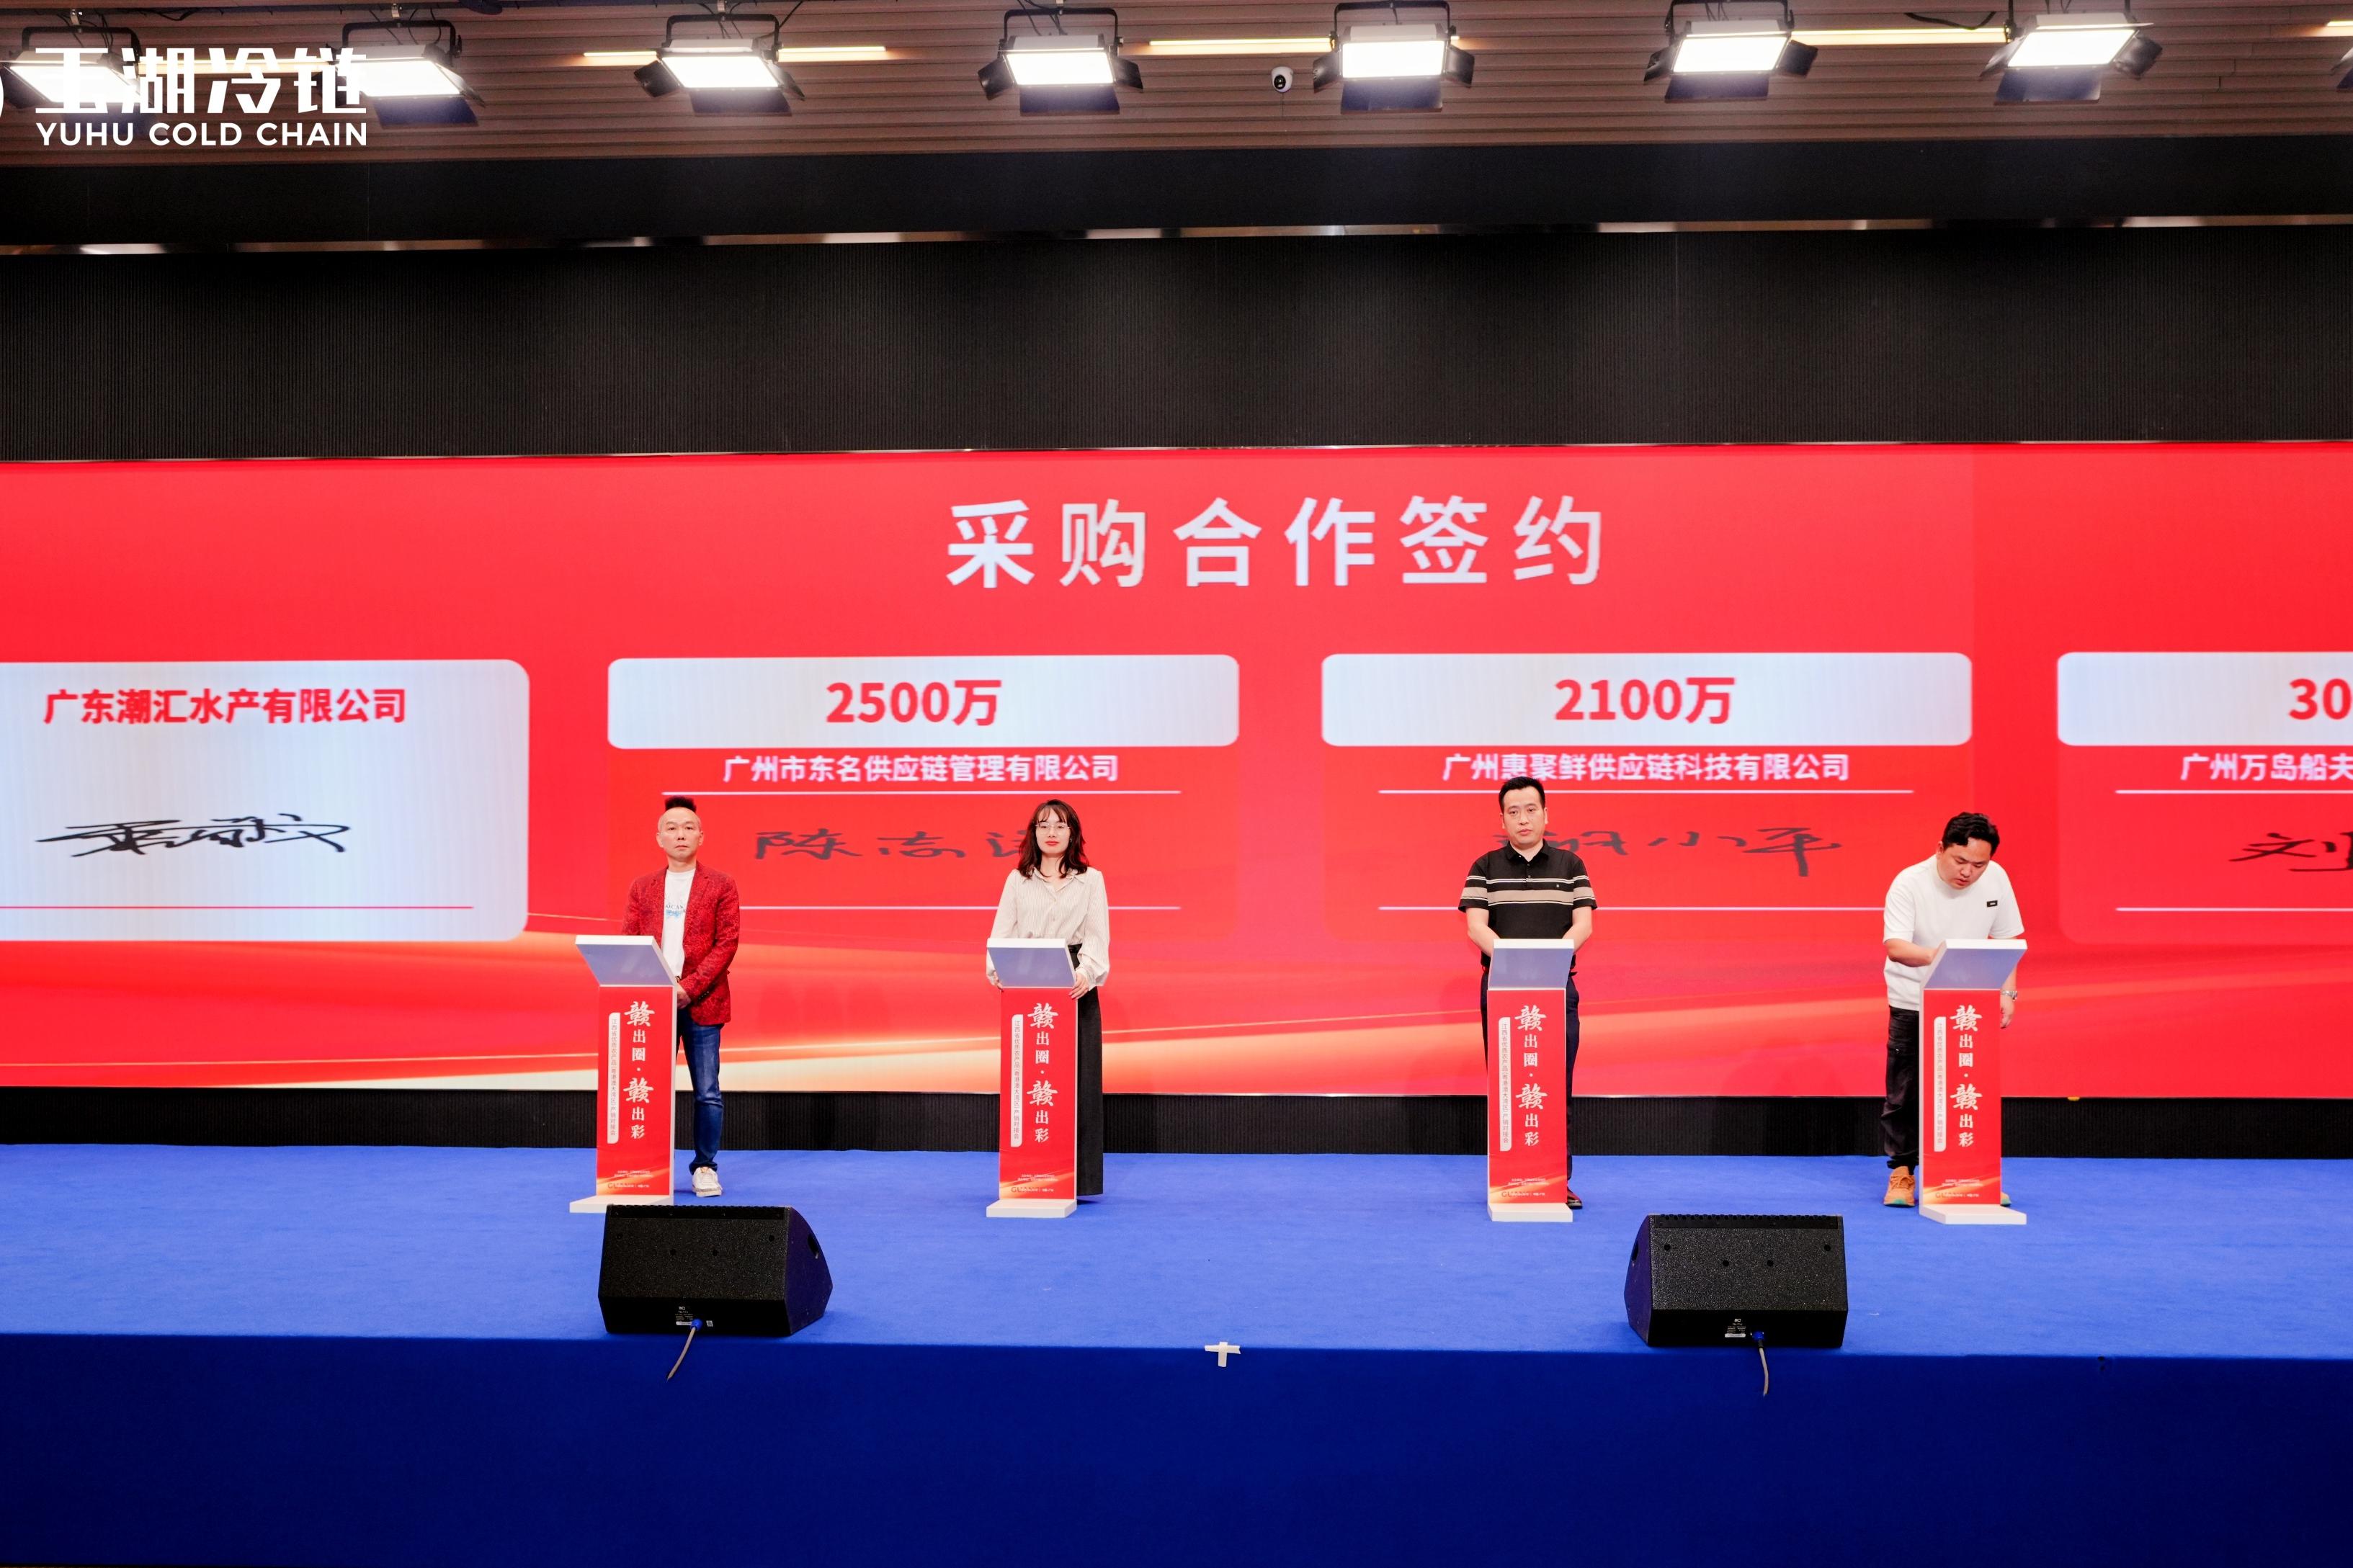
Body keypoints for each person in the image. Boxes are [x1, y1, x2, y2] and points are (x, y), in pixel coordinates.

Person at [1458, 776, 1597, 1207]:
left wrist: (1549, 960)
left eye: (1531, 809)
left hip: (1557, 989)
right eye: (1513, 811)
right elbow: (1476, 926)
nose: (1523, 818)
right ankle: (1509, 1177)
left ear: (1546, 815)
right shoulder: (1484, 867)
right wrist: (1516, 960)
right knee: (1508, 1086)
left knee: (1556, 1086)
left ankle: (1557, 1180)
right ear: (1502, 819)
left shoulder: (1571, 865)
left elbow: (1584, 924)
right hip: (1503, 989)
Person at [1878, 811, 2024, 1207]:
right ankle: (1902, 1173)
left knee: (1968, 1089)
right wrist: (1945, 958)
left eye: (1979, 865)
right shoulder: (1909, 882)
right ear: (1941, 849)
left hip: (1969, 1002)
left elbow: (2008, 940)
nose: (1968, 873)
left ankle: (1970, 1176)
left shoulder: (1997, 878)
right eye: (1961, 861)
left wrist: (2007, 994)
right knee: (1905, 1093)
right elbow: (1896, 947)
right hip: (1913, 1000)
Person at [986, 798, 1108, 1197]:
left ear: (1073, 834)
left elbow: (1097, 935)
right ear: (1033, 834)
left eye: (1060, 825)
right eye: (1043, 826)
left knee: (1078, 1080)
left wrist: (1086, 973)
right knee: (1031, 1079)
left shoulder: (1091, 880)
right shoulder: (1017, 880)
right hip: (1028, 979)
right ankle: (1030, 1174)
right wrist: (998, 968)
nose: (1051, 832)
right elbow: (1002, 932)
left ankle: (1077, 1178)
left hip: (1075, 982)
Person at [622, 796, 741, 1199]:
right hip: (652, 1004)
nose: (680, 834)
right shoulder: (643, 887)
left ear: (701, 836)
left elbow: (727, 943)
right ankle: (647, 1167)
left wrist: (688, 988)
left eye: (689, 828)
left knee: (707, 1092)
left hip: (703, 1002)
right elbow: (630, 941)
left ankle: (705, 1166)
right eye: (671, 828)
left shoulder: (721, 884)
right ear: (659, 838)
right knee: (648, 1089)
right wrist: (657, 986)